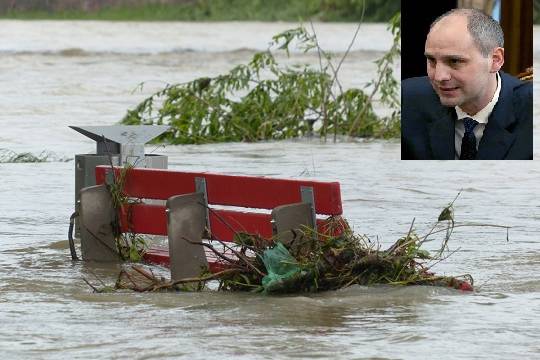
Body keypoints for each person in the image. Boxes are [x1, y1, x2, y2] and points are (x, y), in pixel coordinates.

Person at [401, 8, 532, 160]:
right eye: (432, 60)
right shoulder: (408, 99)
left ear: (495, 60)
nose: (439, 76)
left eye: (454, 61)